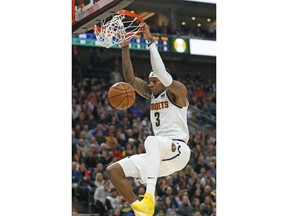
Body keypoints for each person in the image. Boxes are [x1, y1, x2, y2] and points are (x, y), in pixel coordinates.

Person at [106, 23, 191, 216]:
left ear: (165, 78)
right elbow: (131, 79)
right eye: (150, 81)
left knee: (151, 140)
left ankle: (149, 198)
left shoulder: (178, 92)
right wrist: (125, 47)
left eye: (155, 81)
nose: (151, 84)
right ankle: (141, 210)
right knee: (113, 171)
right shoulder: (151, 94)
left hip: (178, 150)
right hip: (159, 157)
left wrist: (151, 42)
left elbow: (163, 75)